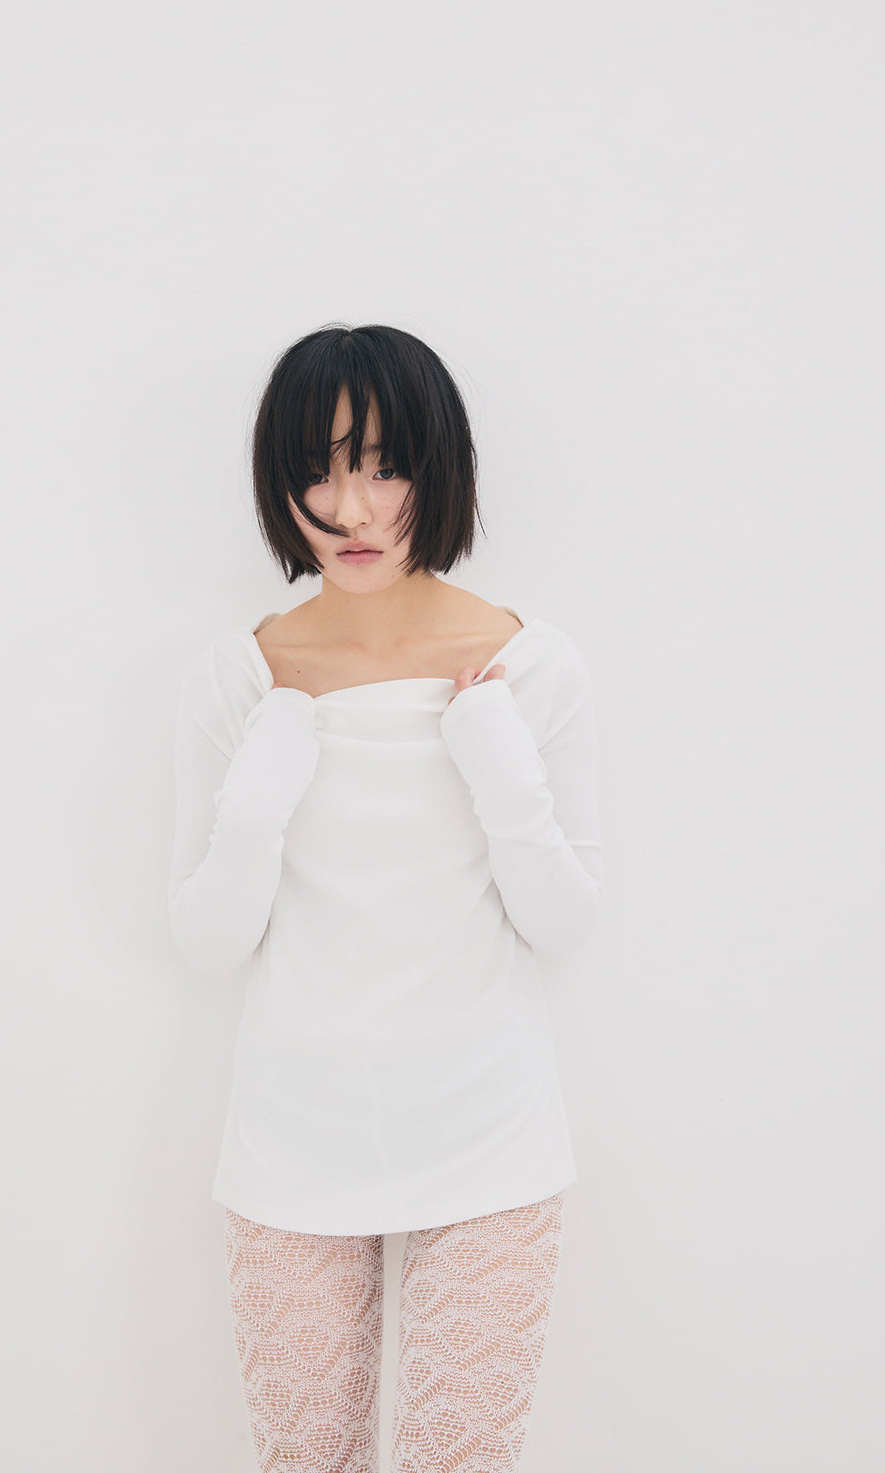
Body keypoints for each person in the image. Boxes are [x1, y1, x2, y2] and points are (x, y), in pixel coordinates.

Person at [167, 323, 605, 1473]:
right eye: (317, 470)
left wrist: (498, 761)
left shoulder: (529, 666)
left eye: (384, 465)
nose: (350, 509)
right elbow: (207, 942)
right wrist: (255, 805)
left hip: (491, 1135)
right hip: (291, 1140)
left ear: (439, 466)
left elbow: (565, 923)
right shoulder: (241, 675)